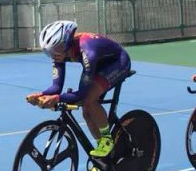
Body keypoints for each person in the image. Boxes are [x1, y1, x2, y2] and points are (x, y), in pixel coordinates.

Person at [27, 20, 132, 160]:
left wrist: (56, 99)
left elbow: (82, 94)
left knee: (88, 100)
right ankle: (104, 152)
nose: (53, 56)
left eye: (55, 50)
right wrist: (41, 94)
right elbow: (56, 87)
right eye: (48, 52)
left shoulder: (87, 50)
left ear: (66, 44)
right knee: (86, 112)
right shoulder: (59, 52)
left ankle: (107, 139)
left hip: (118, 62)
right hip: (99, 65)